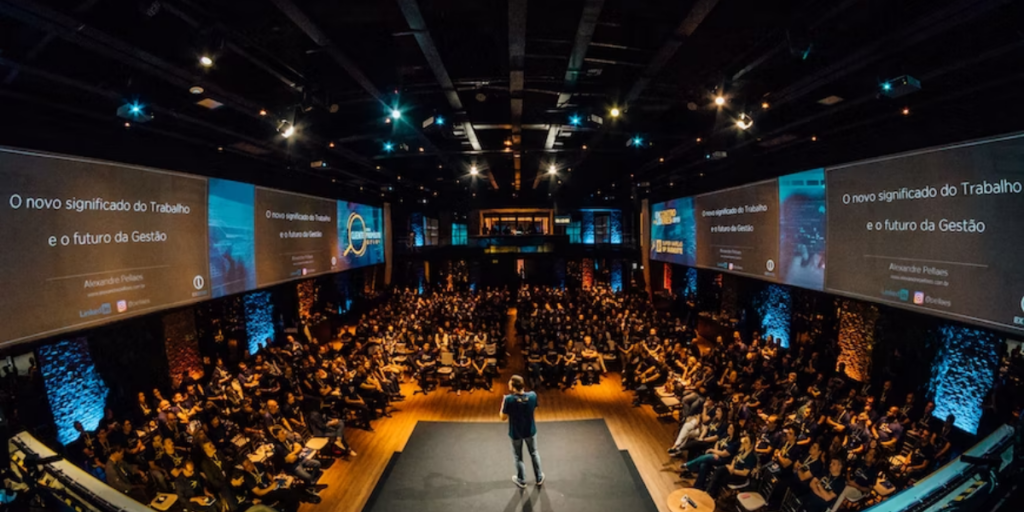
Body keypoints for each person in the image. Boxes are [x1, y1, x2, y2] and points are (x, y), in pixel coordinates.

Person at [499, 375, 544, 488]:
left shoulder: (508, 399)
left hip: (516, 432)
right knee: (534, 453)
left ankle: (521, 480)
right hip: (530, 430)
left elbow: (503, 418)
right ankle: (539, 477)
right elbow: (534, 408)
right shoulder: (533, 395)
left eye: (509, 383)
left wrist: (502, 404)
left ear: (513, 387)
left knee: (518, 457)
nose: (508, 385)